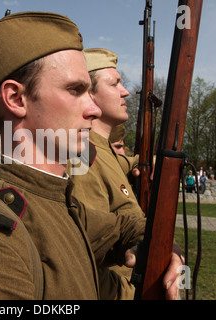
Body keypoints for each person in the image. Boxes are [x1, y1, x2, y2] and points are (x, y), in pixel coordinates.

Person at [0, 12, 182, 300]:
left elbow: (126, 226)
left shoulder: (55, 202)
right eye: (75, 90)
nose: (93, 110)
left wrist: (164, 250)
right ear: (16, 99)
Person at [69, 48, 143, 300]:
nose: (125, 91)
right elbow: (87, 259)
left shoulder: (104, 151)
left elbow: (123, 163)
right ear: (89, 94)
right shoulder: (84, 157)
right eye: (115, 84)